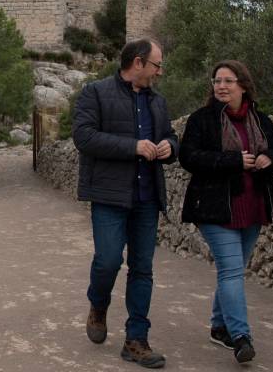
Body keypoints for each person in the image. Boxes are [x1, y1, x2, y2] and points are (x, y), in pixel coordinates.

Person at [73, 38, 179, 369]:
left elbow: (172, 137)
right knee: (107, 261)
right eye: (156, 65)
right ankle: (98, 304)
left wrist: (169, 148)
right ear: (137, 62)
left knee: (143, 269)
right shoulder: (96, 93)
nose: (159, 72)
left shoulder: (158, 103)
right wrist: (133, 147)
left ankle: (136, 340)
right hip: (109, 195)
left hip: (147, 198)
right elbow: (84, 137)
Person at [179, 60, 273, 364]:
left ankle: (219, 326)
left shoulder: (261, 120)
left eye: (228, 81)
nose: (221, 86)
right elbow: (188, 157)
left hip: (253, 205)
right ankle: (241, 336)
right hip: (215, 209)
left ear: (243, 84)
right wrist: (231, 161)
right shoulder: (202, 120)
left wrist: (269, 158)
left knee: (233, 271)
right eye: (217, 81)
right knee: (231, 271)